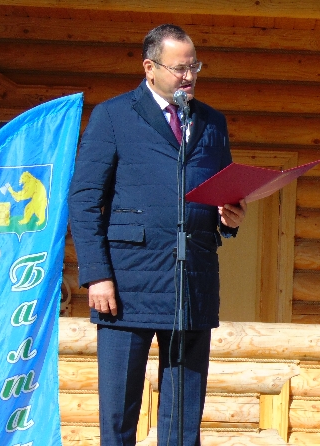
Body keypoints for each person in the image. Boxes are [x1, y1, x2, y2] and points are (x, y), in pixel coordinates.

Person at [68, 24, 246, 446]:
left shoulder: (212, 121)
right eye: (179, 68)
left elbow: (223, 193)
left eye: (194, 67)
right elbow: (85, 198)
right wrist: (96, 274)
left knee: (184, 415)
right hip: (127, 281)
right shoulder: (113, 115)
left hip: (192, 279)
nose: (189, 76)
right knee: (119, 409)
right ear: (149, 67)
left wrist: (231, 218)